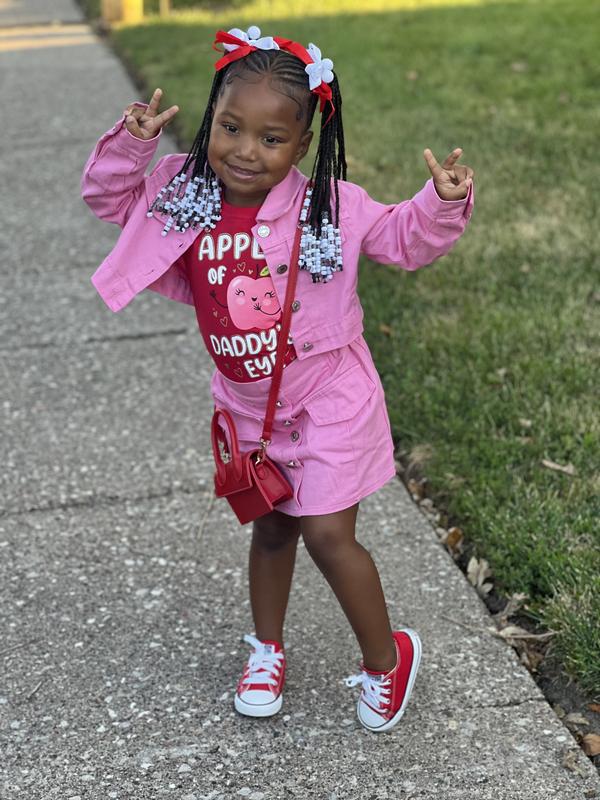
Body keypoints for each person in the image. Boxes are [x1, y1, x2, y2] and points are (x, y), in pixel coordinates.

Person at [81, 25, 474, 733]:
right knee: (269, 529)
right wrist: (134, 145)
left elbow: (401, 240)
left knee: (326, 533)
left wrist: (439, 202)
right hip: (246, 404)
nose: (243, 149)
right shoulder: (184, 191)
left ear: (302, 146)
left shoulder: (333, 205)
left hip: (328, 395)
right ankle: (266, 649)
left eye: (270, 138)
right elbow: (112, 203)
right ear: (212, 120)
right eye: (230, 127)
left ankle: (387, 660)